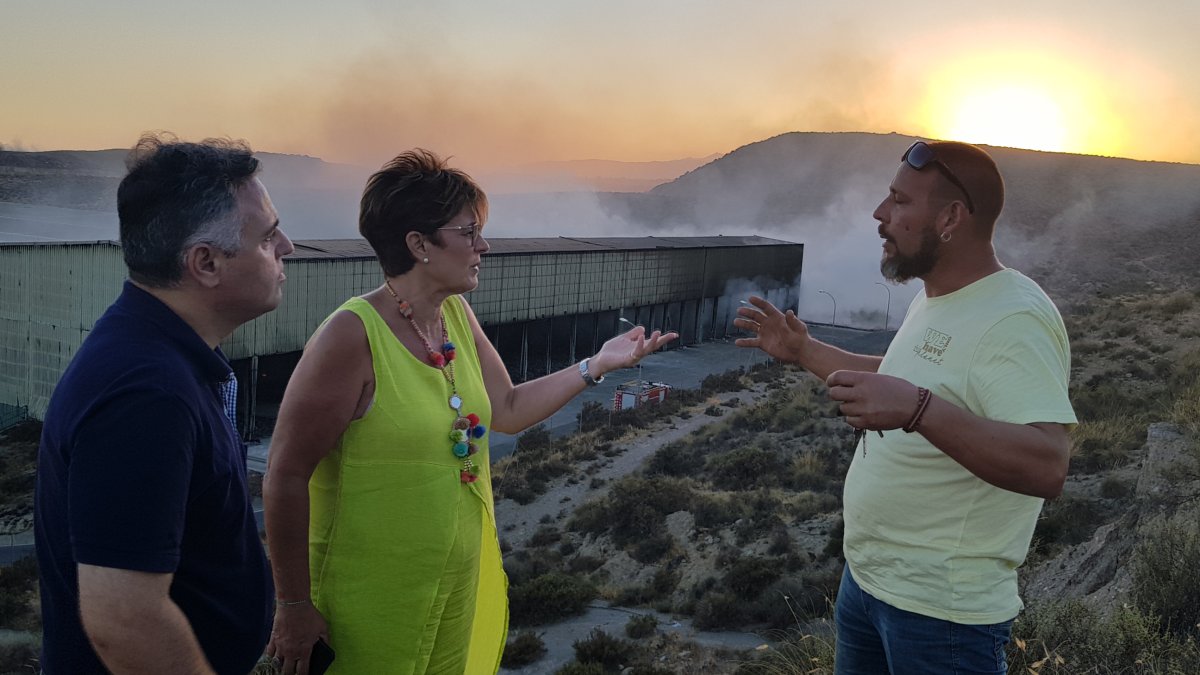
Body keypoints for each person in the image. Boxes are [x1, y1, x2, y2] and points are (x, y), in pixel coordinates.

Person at [263, 148, 676, 674]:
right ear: (419, 244)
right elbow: (284, 474)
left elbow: (507, 408)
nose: (484, 245)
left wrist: (595, 365)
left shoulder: (454, 315)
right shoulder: (350, 335)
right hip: (370, 599)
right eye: (469, 232)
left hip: (454, 589)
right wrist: (293, 605)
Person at [736, 140, 1076, 674]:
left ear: (950, 218)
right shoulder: (937, 295)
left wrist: (919, 410)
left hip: (941, 617)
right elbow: (905, 378)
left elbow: (1048, 464)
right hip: (869, 587)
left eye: (899, 201)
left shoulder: (1014, 318)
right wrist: (803, 350)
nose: (880, 214)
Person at [35, 134, 294, 674]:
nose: (287, 247)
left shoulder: (159, 355)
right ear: (206, 263)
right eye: (268, 237)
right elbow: (125, 619)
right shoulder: (147, 394)